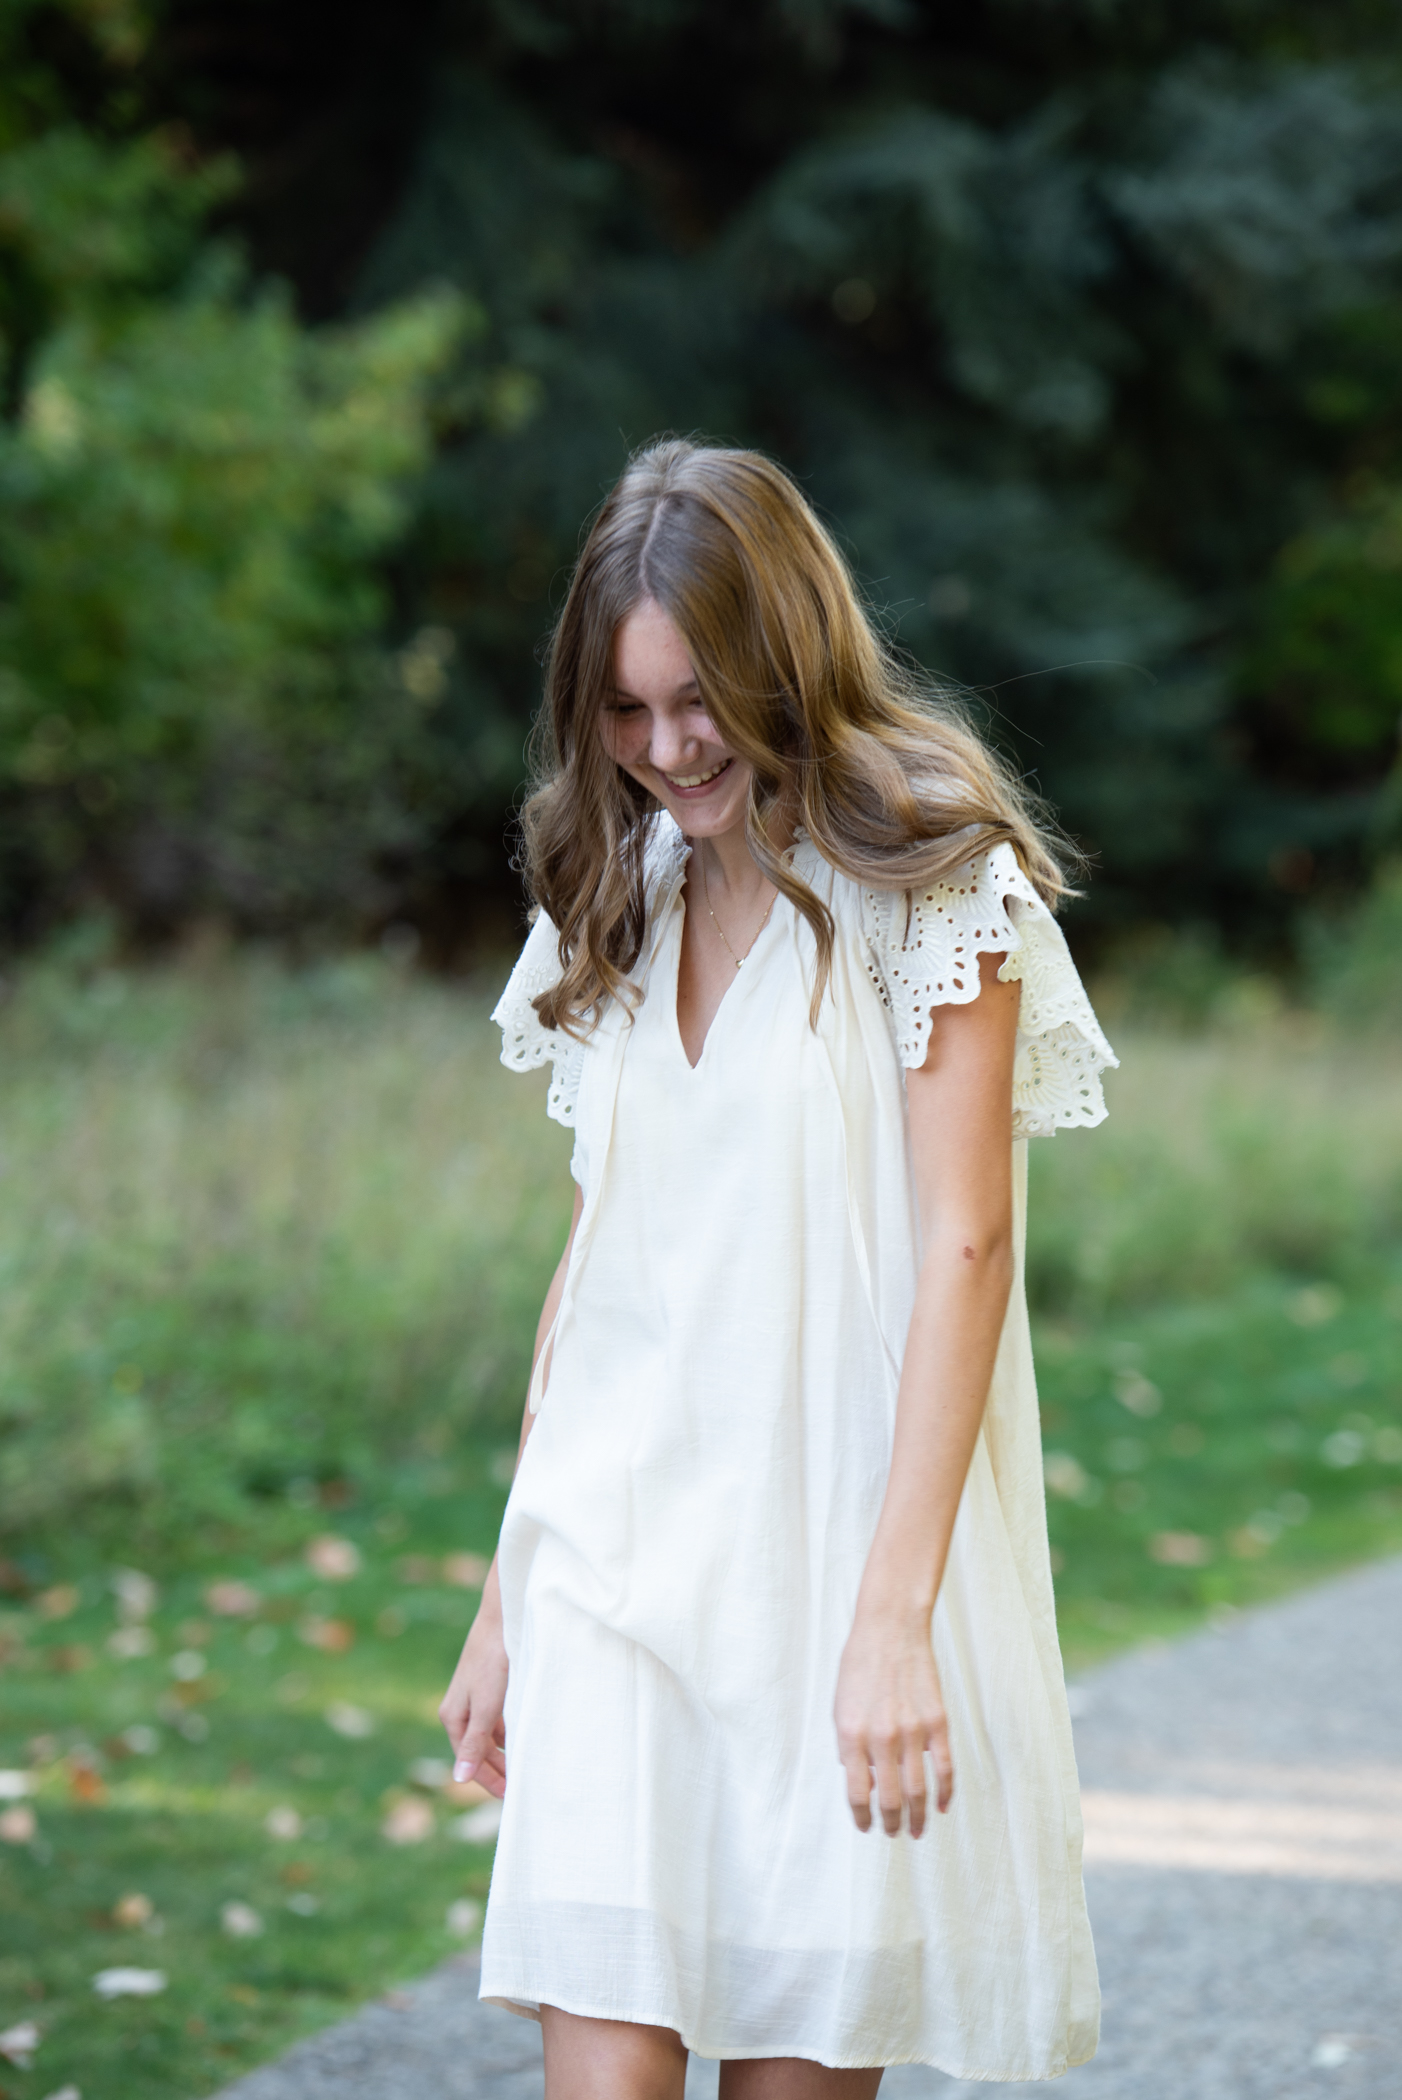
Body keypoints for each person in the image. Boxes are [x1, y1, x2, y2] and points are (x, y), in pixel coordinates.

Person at [439, 438, 1116, 2099]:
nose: (667, 750)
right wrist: (507, 1589)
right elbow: (599, 1255)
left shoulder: (933, 875)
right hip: (612, 1567)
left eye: (699, 701)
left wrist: (893, 1625)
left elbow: (966, 1247)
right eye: (623, 710)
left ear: (783, 655)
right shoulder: (617, 888)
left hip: (823, 1573)